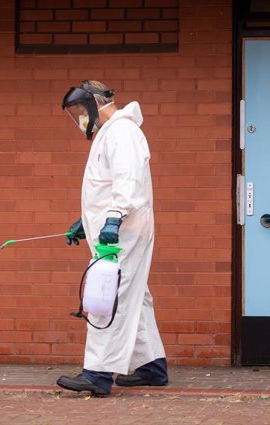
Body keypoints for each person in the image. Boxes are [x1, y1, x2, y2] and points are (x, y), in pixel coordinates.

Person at [56, 80, 168, 397]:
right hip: (119, 227)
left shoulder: (122, 131)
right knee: (135, 294)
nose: (78, 118)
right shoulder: (112, 132)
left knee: (108, 293)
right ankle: (151, 367)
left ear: (93, 104)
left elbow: (127, 181)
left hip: (124, 230)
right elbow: (107, 186)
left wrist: (113, 217)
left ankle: (97, 373)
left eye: (79, 110)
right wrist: (87, 220)